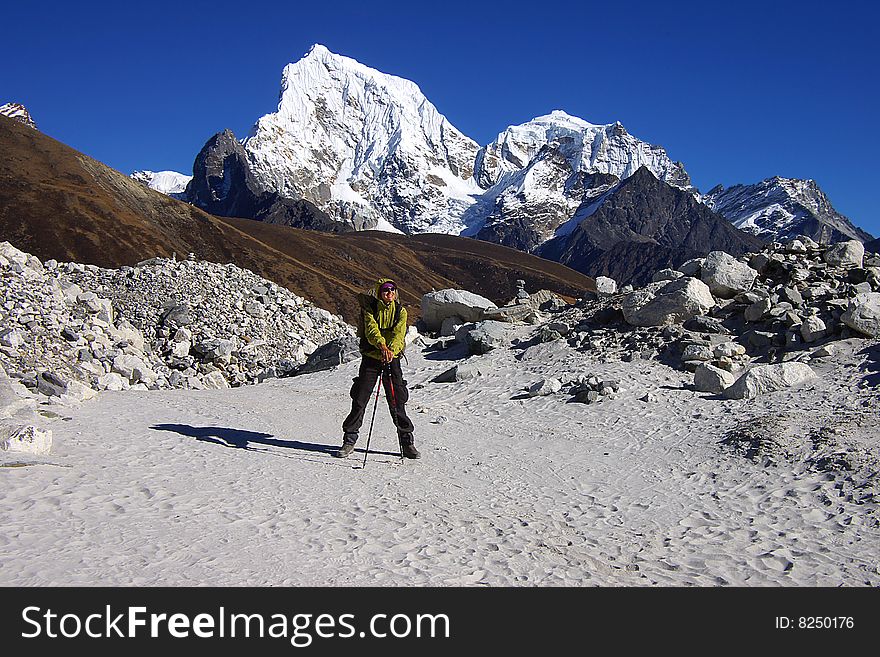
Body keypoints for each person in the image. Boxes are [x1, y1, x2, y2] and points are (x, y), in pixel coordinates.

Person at [337, 278, 420, 459]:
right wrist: (382, 346)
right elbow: (371, 330)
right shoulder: (369, 309)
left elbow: (400, 333)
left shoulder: (400, 311)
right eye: (385, 290)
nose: (389, 293)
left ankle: (407, 443)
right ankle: (349, 440)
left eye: (392, 290)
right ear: (379, 292)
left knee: (397, 400)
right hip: (372, 358)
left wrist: (390, 350)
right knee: (360, 398)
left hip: (392, 357)